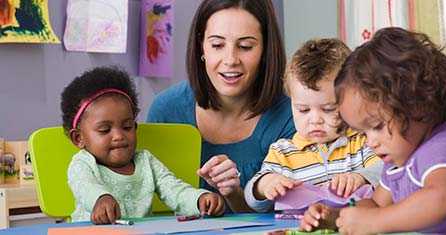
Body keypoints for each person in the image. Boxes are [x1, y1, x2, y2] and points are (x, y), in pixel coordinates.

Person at [300, 28, 446, 234]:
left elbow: (441, 200)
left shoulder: (441, 146)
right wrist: (338, 217)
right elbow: (377, 204)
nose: (371, 142)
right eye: (363, 133)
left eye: (376, 126)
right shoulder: (397, 158)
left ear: (416, 103)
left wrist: (374, 222)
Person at [146, 0, 295, 212]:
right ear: (201, 46)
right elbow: (147, 202)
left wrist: (234, 194)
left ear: (265, 51)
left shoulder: (291, 117)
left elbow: (286, 217)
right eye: (217, 45)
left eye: (245, 46)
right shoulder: (166, 110)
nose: (230, 59)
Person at [62, 67, 225, 224]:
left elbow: (174, 190)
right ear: (78, 138)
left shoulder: (146, 161)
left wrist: (199, 199)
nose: (119, 136)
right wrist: (101, 198)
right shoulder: (82, 164)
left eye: (127, 127)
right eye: (105, 130)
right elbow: (85, 186)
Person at [244, 38, 382, 213]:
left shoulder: (362, 141)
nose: (315, 119)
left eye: (328, 109)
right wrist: (266, 184)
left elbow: (387, 171)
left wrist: (361, 177)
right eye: (303, 110)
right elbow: (252, 198)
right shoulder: (283, 152)